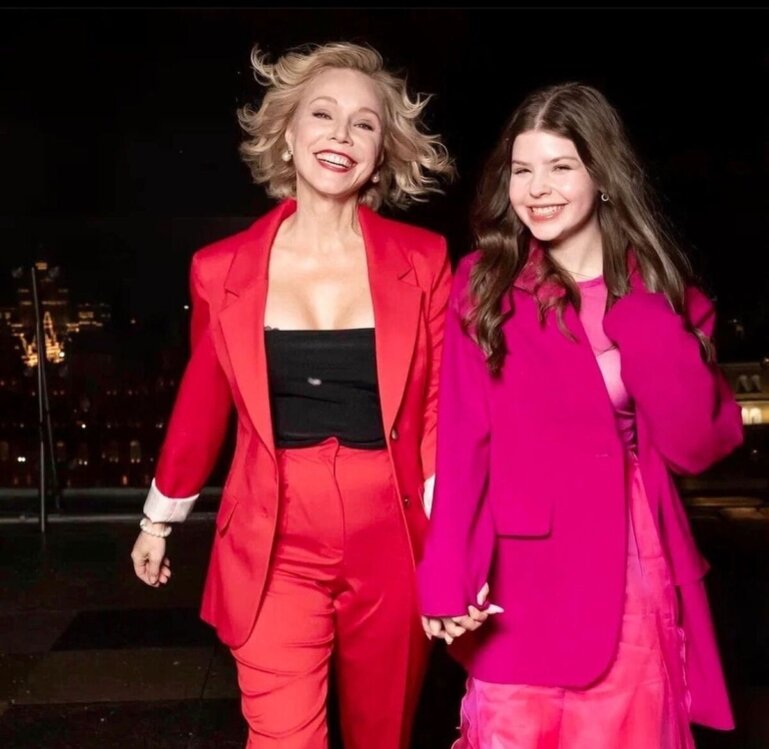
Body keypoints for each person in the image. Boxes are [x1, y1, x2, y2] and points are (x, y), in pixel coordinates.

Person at [130, 41, 454, 749]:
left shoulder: (425, 258)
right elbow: (204, 403)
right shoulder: (219, 269)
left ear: (382, 152)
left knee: (382, 735)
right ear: (286, 132)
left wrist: (454, 542)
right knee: (281, 737)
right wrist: (159, 519)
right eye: (322, 114)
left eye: (364, 123)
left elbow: (435, 410)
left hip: (393, 535)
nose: (341, 135)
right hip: (272, 536)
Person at [417, 82, 744, 748]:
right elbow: (463, 441)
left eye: (560, 166)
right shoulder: (482, 283)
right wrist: (446, 576)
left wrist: (642, 313)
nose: (537, 188)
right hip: (519, 575)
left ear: (603, 175)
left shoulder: (662, 292)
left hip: (632, 570)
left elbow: (697, 445)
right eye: (522, 169)